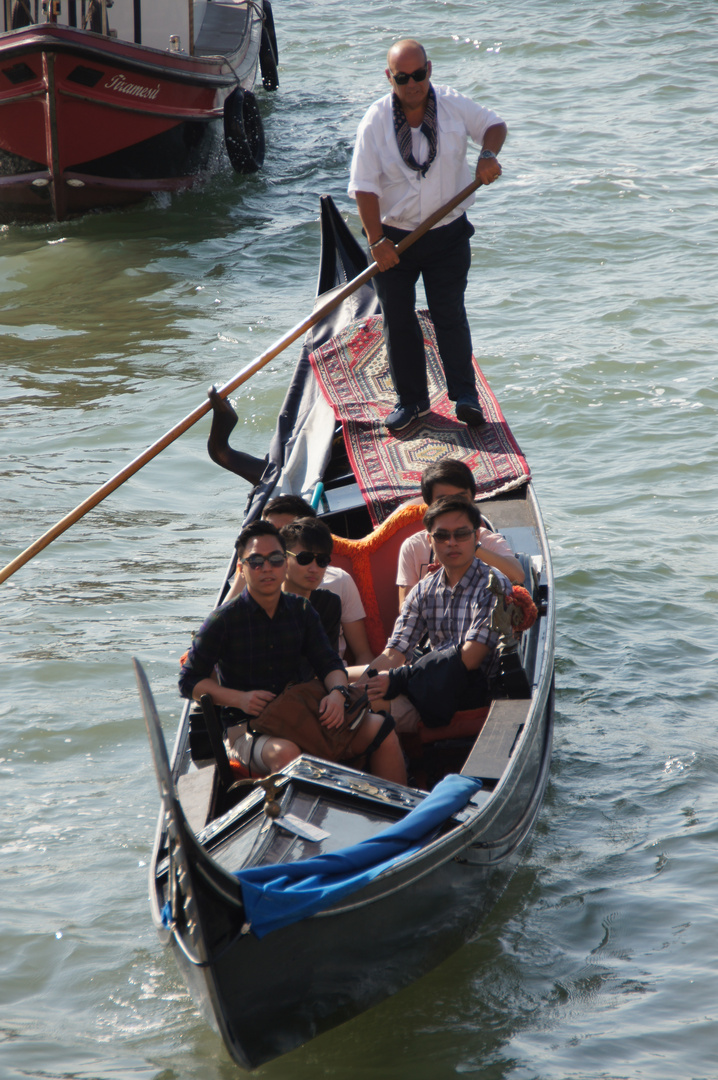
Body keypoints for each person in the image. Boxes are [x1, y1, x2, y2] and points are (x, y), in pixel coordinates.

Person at [348, 38, 507, 434]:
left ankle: (464, 396)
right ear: (390, 78)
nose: (413, 84)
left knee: (448, 312)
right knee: (398, 319)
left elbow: (494, 126)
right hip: (393, 241)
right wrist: (376, 243)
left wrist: (487, 155)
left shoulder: (453, 104)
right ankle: (412, 402)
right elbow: (364, 189)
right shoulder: (375, 121)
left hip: (447, 234)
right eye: (403, 78)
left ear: (429, 71)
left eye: (419, 75)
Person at [179, 519, 406, 783]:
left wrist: (337, 693)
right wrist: (239, 699)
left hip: (304, 715)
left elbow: (330, 664)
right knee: (287, 754)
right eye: (256, 562)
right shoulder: (223, 620)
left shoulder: (302, 609)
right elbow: (189, 681)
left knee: (382, 729)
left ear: (284, 564)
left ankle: (405, 819)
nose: (267, 568)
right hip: (249, 728)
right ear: (242, 568)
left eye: (275, 560)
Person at [359, 496, 510, 731]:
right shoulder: (423, 589)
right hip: (431, 682)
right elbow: (395, 652)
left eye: (461, 534)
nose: (451, 542)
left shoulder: (493, 585)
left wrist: (399, 679)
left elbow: (470, 659)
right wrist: (353, 690)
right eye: (442, 536)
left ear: (476, 538)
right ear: (430, 540)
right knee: (349, 684)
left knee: (372, 704)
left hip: (471, 690)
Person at [224, 495, 373, 665]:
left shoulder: (337, 585)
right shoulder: (256, 580)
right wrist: (244, 573)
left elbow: (362, 653)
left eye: (284, 533)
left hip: (331, 680)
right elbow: (221, 633)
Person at [397, 459, 524, 606]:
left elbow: (517, 576)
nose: (455, 507)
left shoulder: (486, 540)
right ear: (429, 505)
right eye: (444, 500)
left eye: (461, 498)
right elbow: (404, 608)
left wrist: (472, 547)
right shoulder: (413, 547)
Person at [279, 518, 342, 657]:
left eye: (322, 561)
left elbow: (327, 664)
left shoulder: (329, 603)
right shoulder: (266, 603)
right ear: (283, 559)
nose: (314, 569)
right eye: (304, 558)